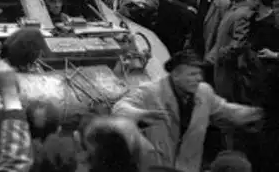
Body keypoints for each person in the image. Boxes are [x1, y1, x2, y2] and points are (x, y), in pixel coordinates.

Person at [113, 50, 263, 172]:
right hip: (157, 167)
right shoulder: (150, 92)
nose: (198, 78)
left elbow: (225, 111)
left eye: (199, 74)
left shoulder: (204, 92)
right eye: (192, 74)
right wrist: (140, 115)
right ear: (175, 75)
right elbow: (120, 108)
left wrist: (256, 113)